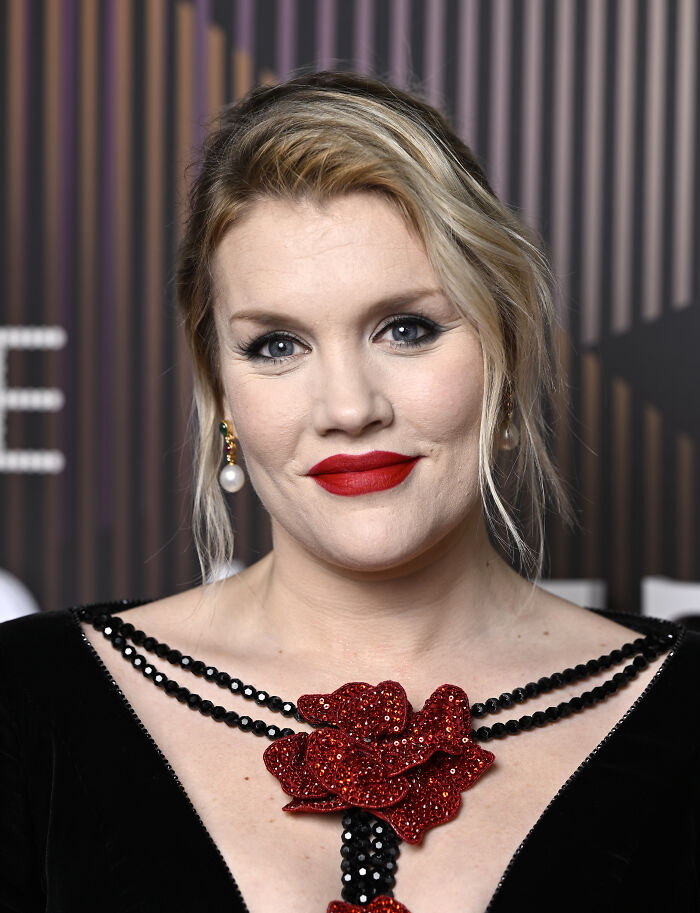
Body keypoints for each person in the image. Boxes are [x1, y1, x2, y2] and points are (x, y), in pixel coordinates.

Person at [0, 72, 696, 913]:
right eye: (276, 345)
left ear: (505, 356)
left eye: (407, 329)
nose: (348, 408)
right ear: (220, 393)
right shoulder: (28, 699)